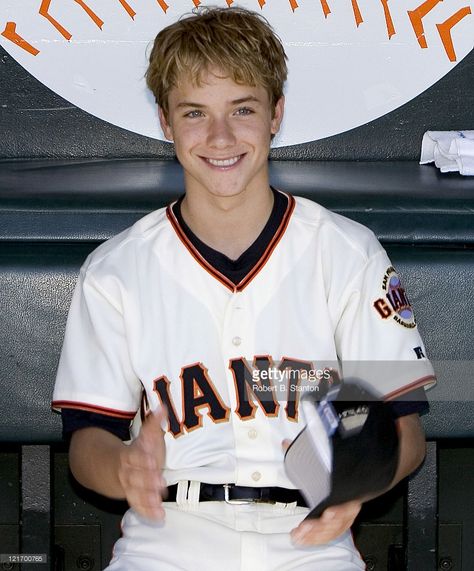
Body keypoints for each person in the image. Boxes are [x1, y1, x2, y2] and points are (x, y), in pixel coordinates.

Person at [52, 7, 436, 570]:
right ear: (165, 121)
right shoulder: (117, 268)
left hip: (310, 538)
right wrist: (125, 466)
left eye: (243, 109)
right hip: (169, 536)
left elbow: (405, 430)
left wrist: (359, 479)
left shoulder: (346, 252)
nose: (220, 137)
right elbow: (88, 442)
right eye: (194, 113)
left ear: (276, 113)